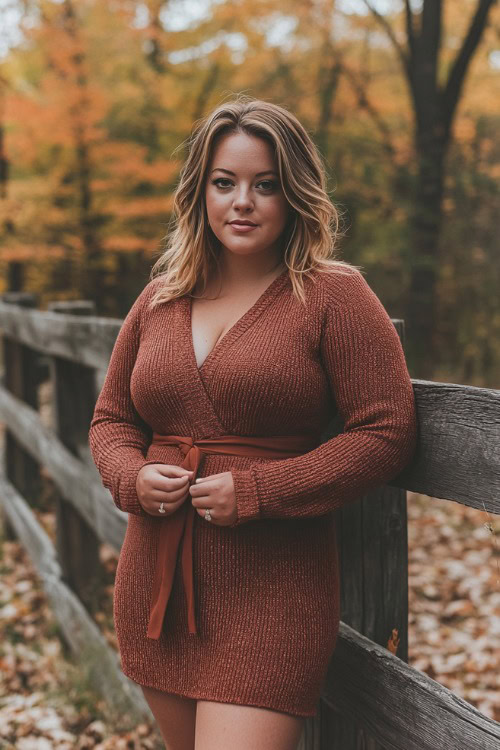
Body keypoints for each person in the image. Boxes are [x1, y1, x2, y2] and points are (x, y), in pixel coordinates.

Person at [88, 95, 418, 750]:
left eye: (265, 184)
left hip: (275, 590)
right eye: (225, 182)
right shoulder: (160, 296)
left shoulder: (332, 295)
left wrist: (262, 492)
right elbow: (112, 417)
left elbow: (386, 431)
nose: (243, 201)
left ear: (294, 193)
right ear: (200, 192)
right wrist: (131, 476)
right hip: (158, 586)